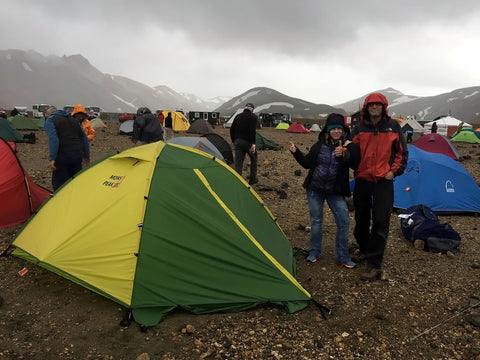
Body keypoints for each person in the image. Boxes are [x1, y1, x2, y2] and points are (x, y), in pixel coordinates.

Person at [349, 92, 408, 281]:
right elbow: (351, 150)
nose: (374, 107)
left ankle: (375, 264)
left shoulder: (393, 127)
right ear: (366, 108)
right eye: (371, 104)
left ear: (384, 107)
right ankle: (365, 249)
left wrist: (394, 172)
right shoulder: (359, 128)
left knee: (381, 222)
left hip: (383, 181)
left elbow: (402, 153)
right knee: (361, 220)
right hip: (363, 179)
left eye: (378, 104)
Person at [290, 113, 357, 268]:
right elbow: (307, 164)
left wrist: (345, 154)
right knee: (316, 221)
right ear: (327, 130)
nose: (336, 131)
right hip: (315, 189)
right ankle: (315, 252)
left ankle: (342, 256)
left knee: (344, 221)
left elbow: (353, 162)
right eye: (333, 129)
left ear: (343, 130)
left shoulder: (347, 147)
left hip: (335, 190)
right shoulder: (319, 146)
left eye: (339, 129)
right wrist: (296, 152)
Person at [44, 106, 90, 191]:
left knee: (60, 185)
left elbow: (53, 139)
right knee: (75, 182)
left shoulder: (50, 120)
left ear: (47, 114)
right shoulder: (74, 120)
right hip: (77, 154)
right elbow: (84, 138)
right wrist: (87, 156)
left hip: (63, 155)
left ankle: (61, 202)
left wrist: (52, 158)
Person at [230, 103, 258, 185]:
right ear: (252, 109)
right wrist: (253, 143)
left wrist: (234, 141)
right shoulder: (253, 117)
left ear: (245, 108)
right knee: (254, 159)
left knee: (238, 163)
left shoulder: (238, 116)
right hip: (248, 143)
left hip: (238, 142)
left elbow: (232, 129)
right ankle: (252, 182)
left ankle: (238, 182)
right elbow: (252, 131)